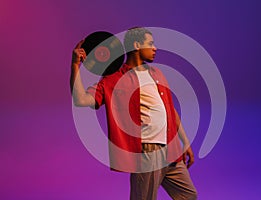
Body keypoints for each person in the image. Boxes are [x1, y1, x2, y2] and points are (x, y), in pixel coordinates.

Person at [70, 27, 198, 200]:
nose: (155, 48)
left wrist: (185, 141)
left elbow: (170, 109)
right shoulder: (113, 79)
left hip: (171, 150)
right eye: (150, 43)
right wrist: (75, 65)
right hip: (147, 151)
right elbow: (81, 100)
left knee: (189, 196)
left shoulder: (157, 73)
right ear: (137, 45)